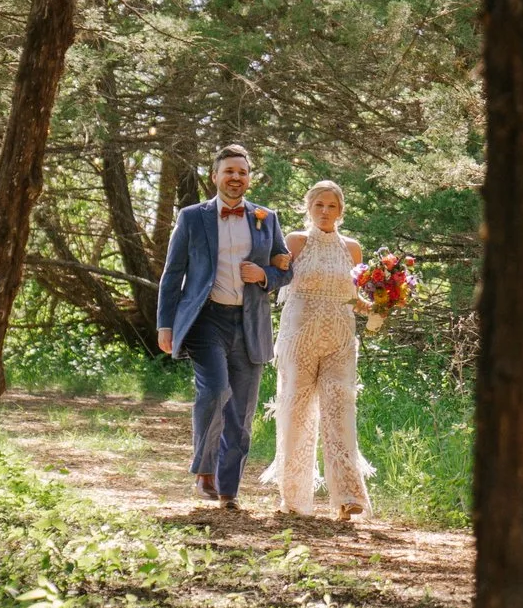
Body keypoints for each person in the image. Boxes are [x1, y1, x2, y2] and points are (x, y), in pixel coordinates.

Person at [157, 145, 293, 509]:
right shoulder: (191, 217)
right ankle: (205, 472)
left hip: (250, 323)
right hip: (206, 320)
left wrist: (265, 274)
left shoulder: (267, 217)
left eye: (242, 172)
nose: (236, 178)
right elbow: (172, 275)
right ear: (215, 176)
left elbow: (286, 269)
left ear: (249, 178)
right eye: (229, 171)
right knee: (215, 392)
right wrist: (165, 325)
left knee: (242, 412)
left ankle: (229, 487)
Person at [264, 180, 373, 521]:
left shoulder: (352, 249)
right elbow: (278, 279)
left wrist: (380, 305)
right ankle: (294, 498)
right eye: (319, 206)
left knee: (340, 411)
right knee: (297, 413)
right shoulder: (295, 241)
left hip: (341, 338)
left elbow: (356, 299)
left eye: (332, 206)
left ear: (341, 211)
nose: (325, 212)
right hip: (300, 338)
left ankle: (348, 497)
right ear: (308, 208)